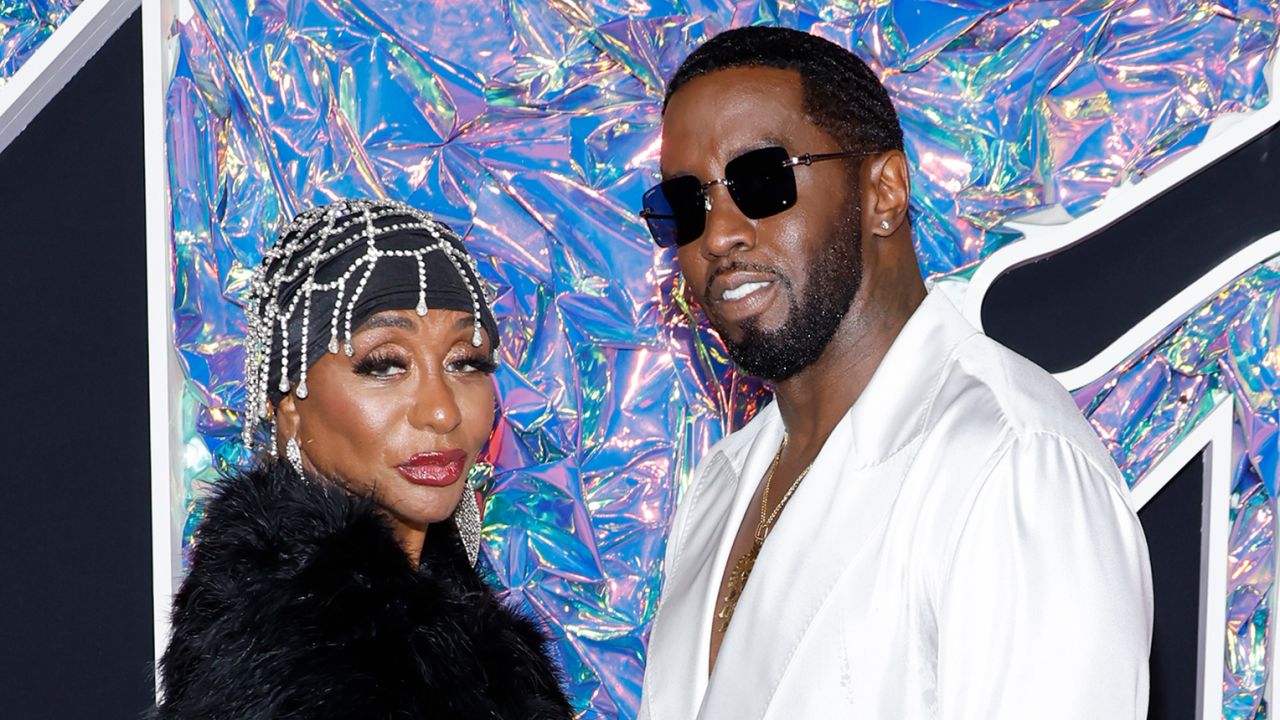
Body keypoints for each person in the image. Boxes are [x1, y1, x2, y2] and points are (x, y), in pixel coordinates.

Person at [637, 27, 1152, 719]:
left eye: (763, 179)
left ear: (884, 191)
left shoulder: (1010, 463)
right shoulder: (722, 485)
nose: (719, 234)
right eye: (685, 203)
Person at [152, 199, 573, 719]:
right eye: (384, 365)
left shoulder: (463, 635)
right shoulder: (294, 658)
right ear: (289, 407)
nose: (441, 411)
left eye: (466, 362)